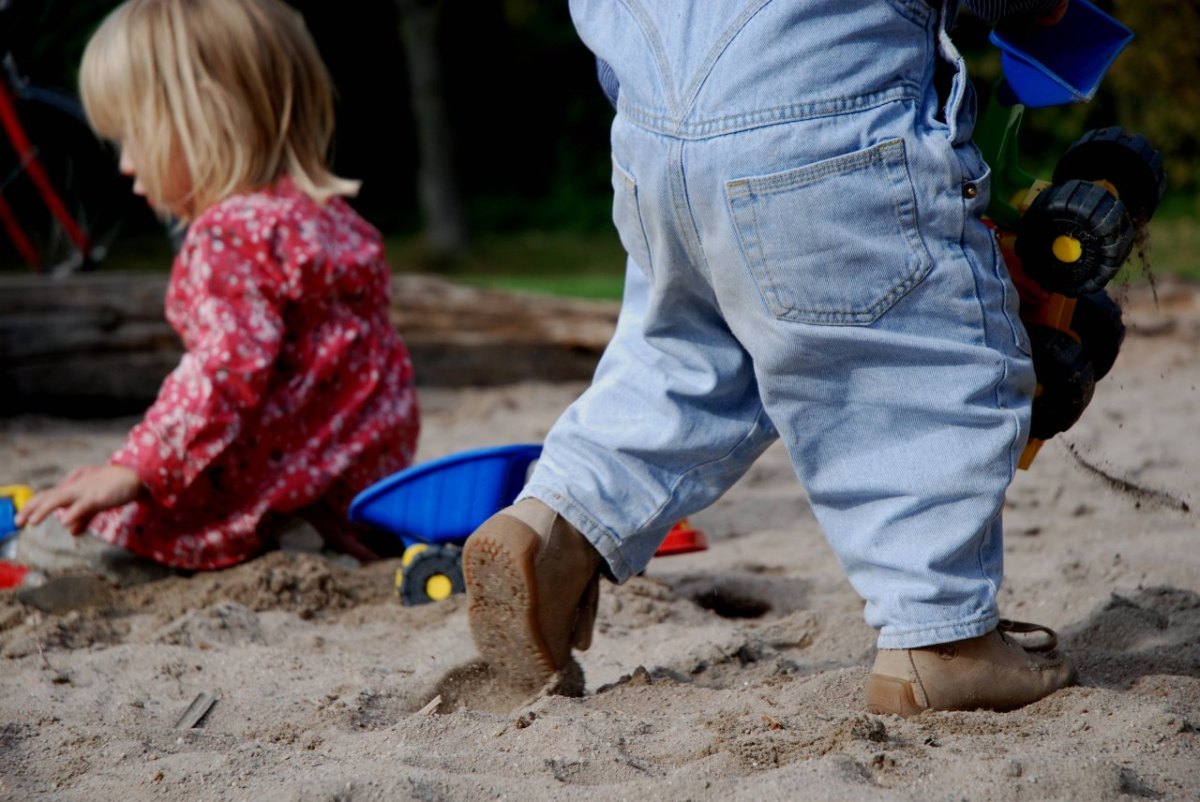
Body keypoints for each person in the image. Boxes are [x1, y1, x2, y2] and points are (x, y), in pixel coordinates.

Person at [461, 0, 1077, 716]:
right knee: (908, 369)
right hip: (835, 127)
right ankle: (939, 639)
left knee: (682, 354)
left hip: (658, 147)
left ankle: (555, 517)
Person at [14, 0, 418, 579]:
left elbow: (222, 373)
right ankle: (310, 530)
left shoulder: (229, 236)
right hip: (351, 484)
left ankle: (276, 534)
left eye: (132, 137)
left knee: (60, 542)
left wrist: (134, 468)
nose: (127, 164)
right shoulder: (327, 218)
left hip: (272, 490)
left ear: (206, 118)